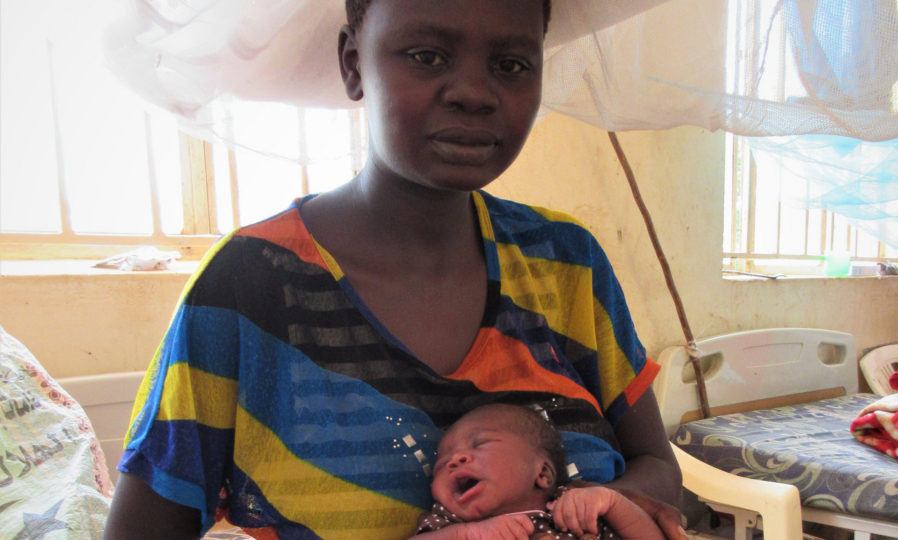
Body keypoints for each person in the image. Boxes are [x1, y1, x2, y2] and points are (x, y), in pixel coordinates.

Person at [104, 1, 684, 539]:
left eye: (510, 64)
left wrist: (608, 501)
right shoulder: (248, 288)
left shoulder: (565, 261)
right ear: (354, 64)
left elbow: (656, 464)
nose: (474, 93)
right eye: (428, 56)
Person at [415, 404, 666, 539]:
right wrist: (467, 535)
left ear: (543, 473)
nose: (454, 460)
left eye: (479, 444)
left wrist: (612, 502)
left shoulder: (574, 506)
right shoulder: (448, 524)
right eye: (442, 463)